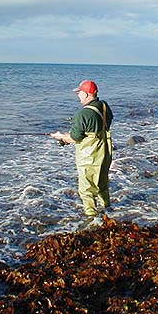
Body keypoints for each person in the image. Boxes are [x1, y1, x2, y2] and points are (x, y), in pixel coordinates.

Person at [50, 80, 113, 217]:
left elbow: (74, 138)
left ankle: (91, 217)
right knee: (102, 183)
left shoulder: (83, 114)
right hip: (106, 152)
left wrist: (60, 136)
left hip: (90, 156)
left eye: (79, 93)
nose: (78, 95)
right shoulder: (104, 106)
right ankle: (107, 210)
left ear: (85, 94)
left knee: (86, 189)